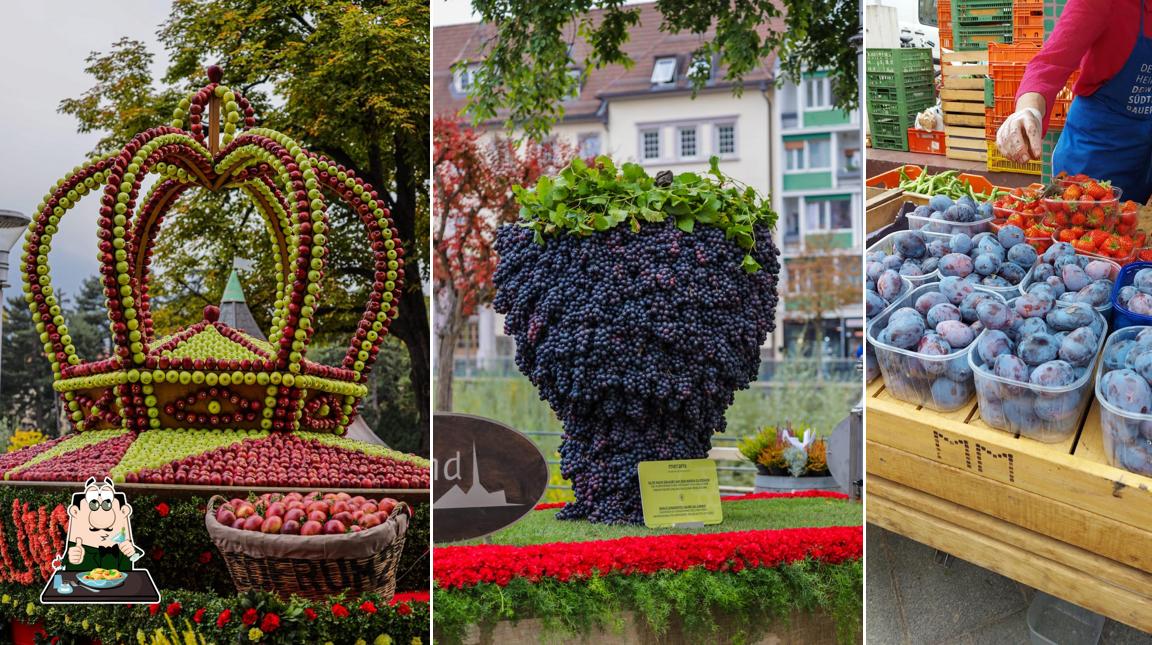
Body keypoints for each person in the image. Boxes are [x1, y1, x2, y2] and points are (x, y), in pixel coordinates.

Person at [996, 0, 1152, 202]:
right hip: (1094, 151)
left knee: (1133, 227)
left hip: (1142, 156)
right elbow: (1050, 64)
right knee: (1081, 224)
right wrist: (1029, 111)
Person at [64, 477, 138, 571]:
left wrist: (131, 553)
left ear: (124, 512)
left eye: (107, 505)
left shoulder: (122, 545)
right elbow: (70, 575)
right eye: (93, 505)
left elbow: (128, 574)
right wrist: (72, 559)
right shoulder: (77, 547)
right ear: (75, 512)